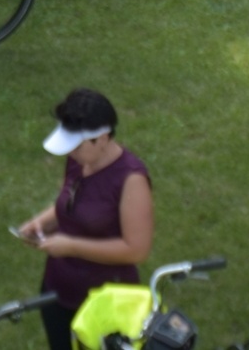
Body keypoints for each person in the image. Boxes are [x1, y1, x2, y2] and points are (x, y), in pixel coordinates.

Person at [15, 89, 153, 350]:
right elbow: (70, 203)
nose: (72, 154)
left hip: (104, 303)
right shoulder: (79, 159)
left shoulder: (131, 179)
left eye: (76, 146)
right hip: (57, 291)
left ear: (101, 139)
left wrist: (72, 246)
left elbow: (136, 249)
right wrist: (41, 223)